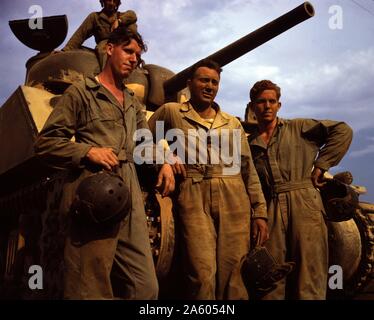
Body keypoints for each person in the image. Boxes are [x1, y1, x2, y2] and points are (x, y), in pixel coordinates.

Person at [35, 27, 175, 299]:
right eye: (128, 50)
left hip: (130, 193)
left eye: (138, 54)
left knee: (145, 287)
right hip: (94, 190)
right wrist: (87, 151)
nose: (134, 59)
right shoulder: (82, 92)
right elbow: (45, 143)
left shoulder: (132, 102)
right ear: (109, 49)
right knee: (90, 286)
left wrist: (164, 161)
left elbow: (143, 144)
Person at [148, 59, 268, 300]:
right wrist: (164, 157)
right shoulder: (172, 112)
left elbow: (248, 170)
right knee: (200, 274)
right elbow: (141, 140)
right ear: (190, 83)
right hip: (194, 196)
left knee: (235, 277)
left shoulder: (231, 122)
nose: (209, 86)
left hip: (234, 197)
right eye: (204, 80)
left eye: (214, 82)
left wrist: (260, 212)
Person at [246, 80, 353, 299]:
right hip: (271, 207)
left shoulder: (299, 128)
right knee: (270, 277)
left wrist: (322, 165)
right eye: (261, 102)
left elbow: (343, 131)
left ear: (279, 105)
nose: (267, 106)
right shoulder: (250, 144)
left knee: (310, 274)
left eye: (271, 101)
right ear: (253, 106)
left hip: (305, 203)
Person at [62, 0, 138, 69]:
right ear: (103, 1)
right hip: (104, 45)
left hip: (122, 43)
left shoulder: (121, 15)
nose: (111, 3)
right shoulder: (95, 17)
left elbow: (133, 15)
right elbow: (80, 35)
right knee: (100, 51)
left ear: (117, 4)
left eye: (114, 1)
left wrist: (119, 21)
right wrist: (65, 50)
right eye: (109, 0)